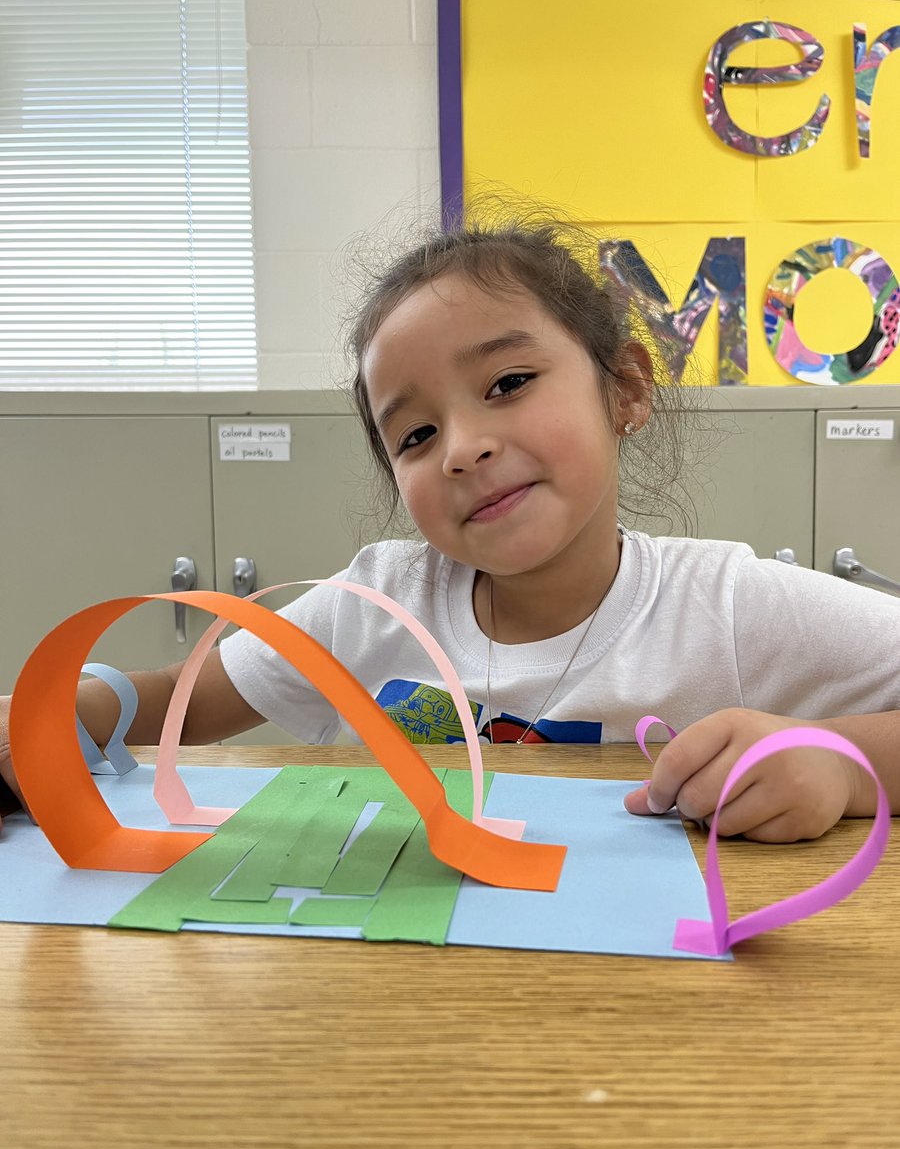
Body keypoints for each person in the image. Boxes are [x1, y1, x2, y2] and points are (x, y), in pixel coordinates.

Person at [1, 212, 899, 843]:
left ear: (624, 388)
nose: (463, 449)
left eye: (508, 384)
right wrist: (50, 715)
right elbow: (178, 701)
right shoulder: (376, 603)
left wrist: (843, 765)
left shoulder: (728, 606)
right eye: (417, 435)